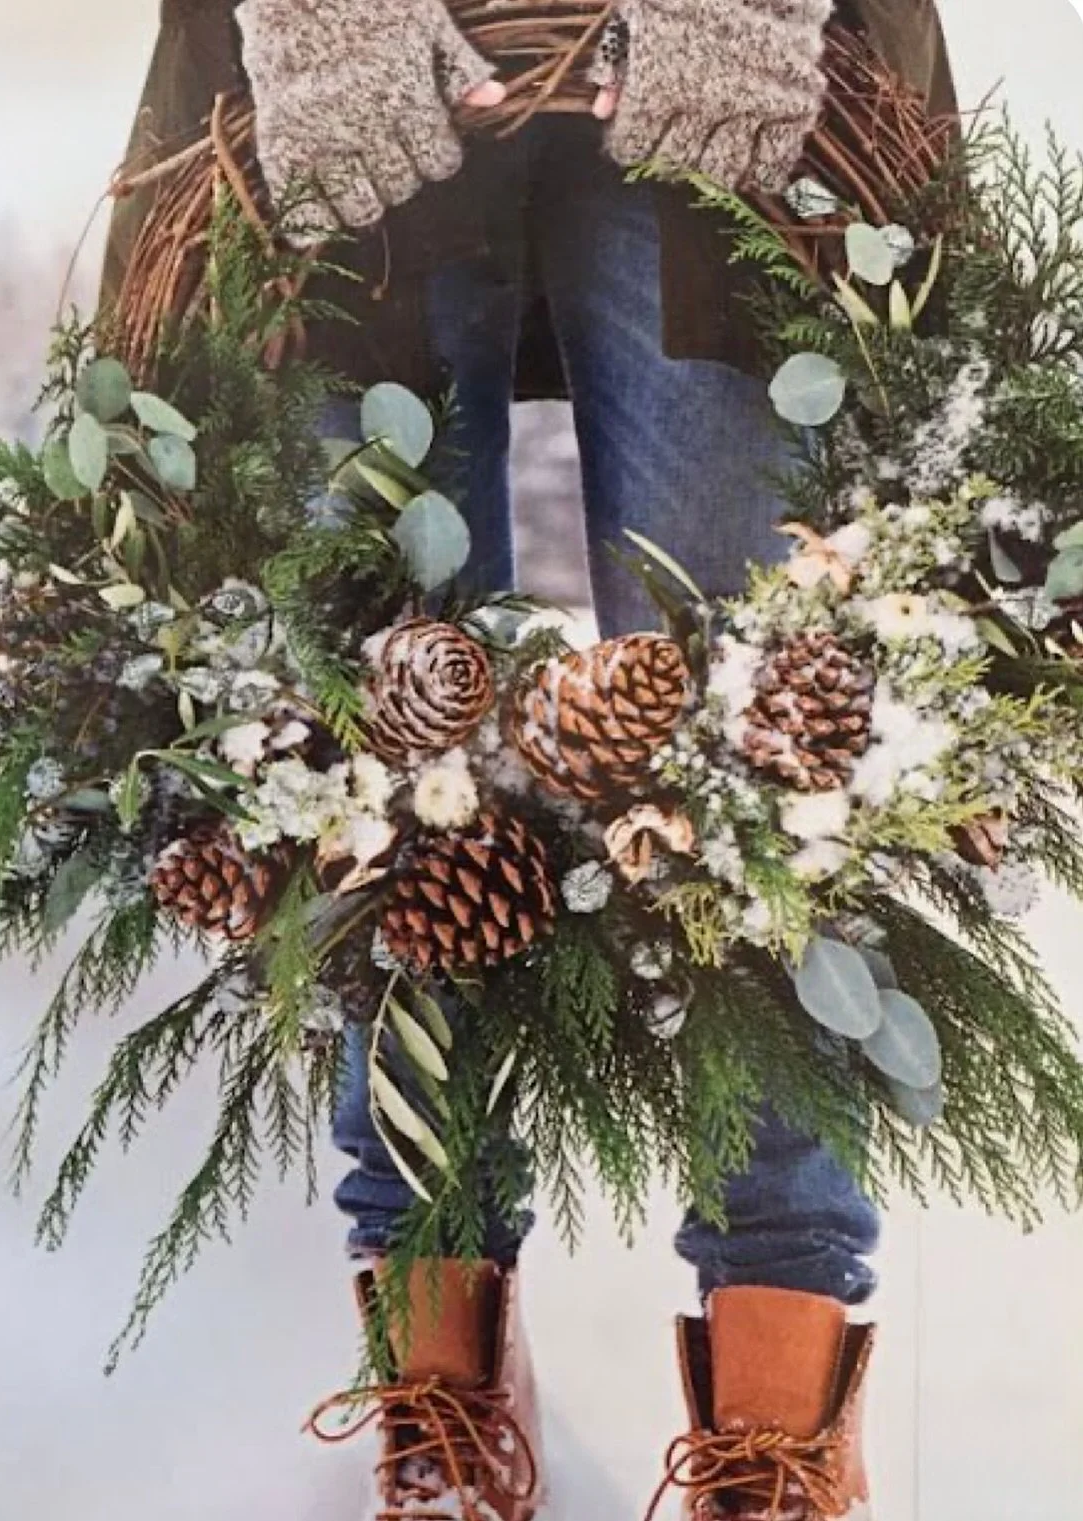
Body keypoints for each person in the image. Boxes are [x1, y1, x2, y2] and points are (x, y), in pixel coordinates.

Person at [102, 3, 956, 1516]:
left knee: (775, 731)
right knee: (362, 760)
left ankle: (780, 1421)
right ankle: (446, 1390)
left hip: (745, 66)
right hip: (340, 76)